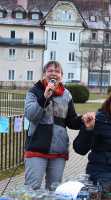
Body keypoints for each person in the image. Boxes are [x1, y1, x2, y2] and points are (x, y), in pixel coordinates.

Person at [24, 60, 82, 190]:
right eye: (50, 71)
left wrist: (83, 120)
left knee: (54, 189)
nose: (54, 74)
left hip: (58, 151)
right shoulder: (34, 91)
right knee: (32, 188)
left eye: (57, 71)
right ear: (44, 74)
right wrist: (44, 97)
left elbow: (71, 121)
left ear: (62, 75)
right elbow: (31, 115)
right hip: (37, 149)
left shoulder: (67, 95)